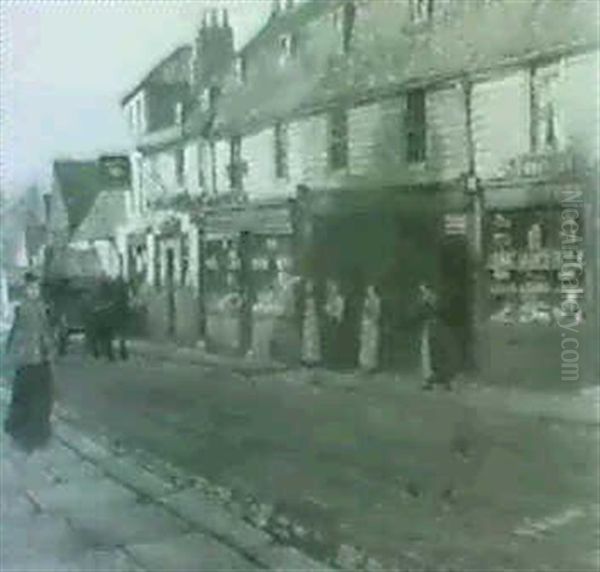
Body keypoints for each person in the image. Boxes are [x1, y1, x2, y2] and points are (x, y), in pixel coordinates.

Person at [4, 271, 56, 455]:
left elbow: (46, 332)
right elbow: (16, 333)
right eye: (31, 288)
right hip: (28, 359)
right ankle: (27, 432)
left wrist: (49, 350)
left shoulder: (41, 307)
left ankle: (34, 431)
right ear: (26, 290)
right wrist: (13, 353)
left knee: (40, 397)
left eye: (37, 288)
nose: (35, 291)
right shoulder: (24, 308)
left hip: (39, 358)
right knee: (29, 396)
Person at [418, 282, 456, 391]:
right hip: (433, 329)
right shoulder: (428, 302)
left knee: (436, 354)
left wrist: (427, 303)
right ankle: (433, 380)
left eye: (424, 290)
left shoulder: (434, 301)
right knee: (433, 355)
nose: (423, 293)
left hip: (436, 330)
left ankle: (441, 380)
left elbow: (438, 312)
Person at [359, 285, 381, 373]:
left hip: (372, 325)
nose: (369, 292)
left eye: (371, 290)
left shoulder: (377, 300)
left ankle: (372, 366)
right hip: (366, 324)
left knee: (372, 345)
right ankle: (364, 365)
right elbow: (364, 313)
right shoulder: (366, 301)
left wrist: (371, 313)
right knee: (365, 345)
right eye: (368, 290)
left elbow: (377, 313)